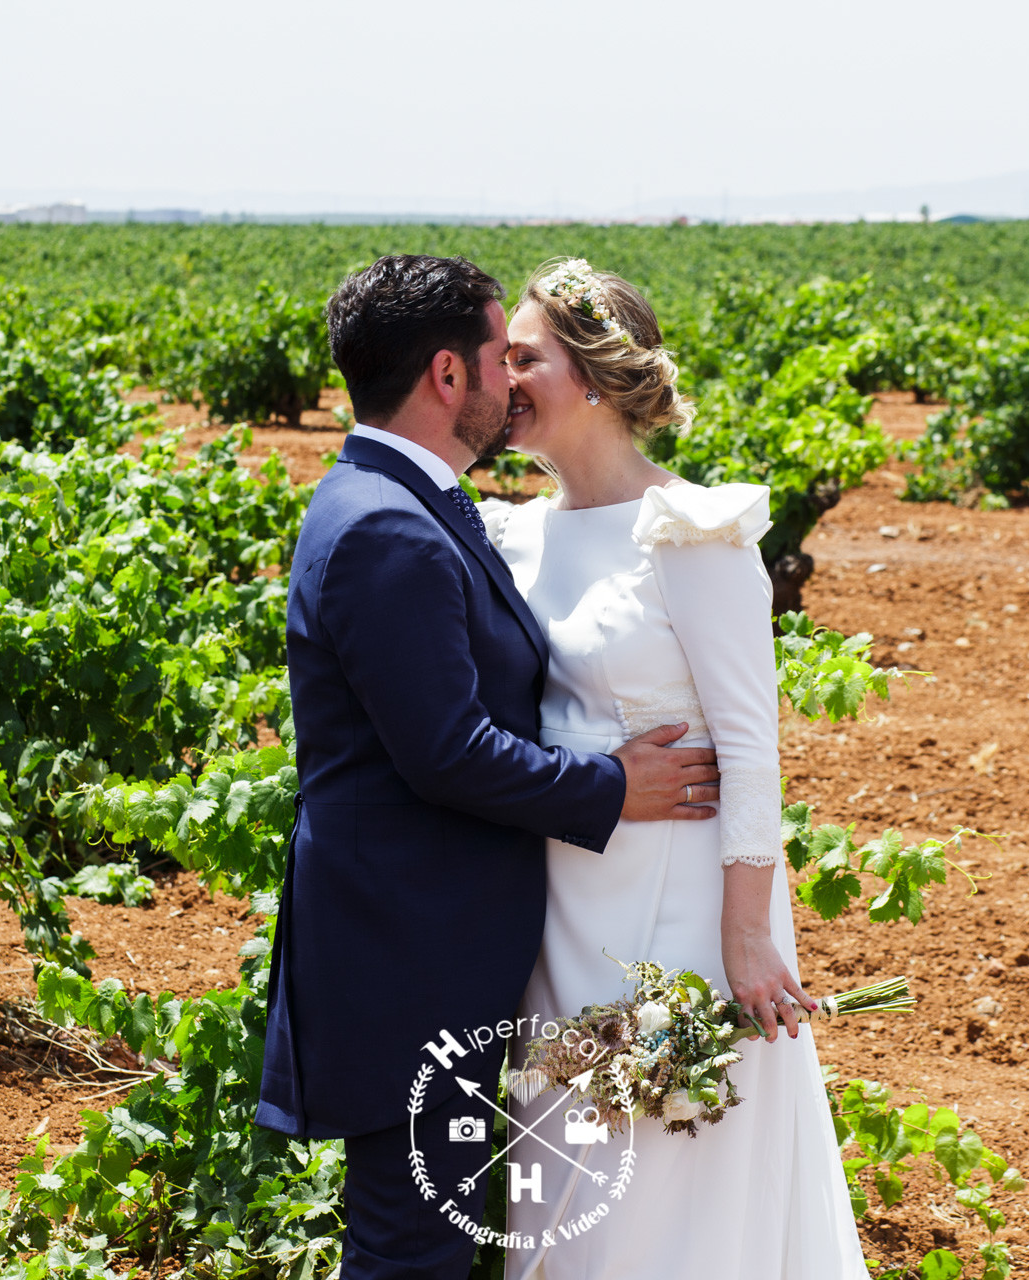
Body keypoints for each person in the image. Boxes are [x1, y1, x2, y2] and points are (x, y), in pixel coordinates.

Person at [256, 254, 721, 1280]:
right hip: (407, 958)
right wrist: (614, 784)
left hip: (415, 945)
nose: (513, 380)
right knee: (409, 1252)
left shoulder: (401, 498)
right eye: (497, 356)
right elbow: (448, 752)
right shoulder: (388, 526)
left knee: (421, 1239)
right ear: (447, 376)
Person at [486, 259, 871, 1279]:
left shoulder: (692, 534)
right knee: (565, 1182)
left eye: (526, 357)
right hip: (559, 908)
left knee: (668, 1184)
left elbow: (750, 745)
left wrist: (745, 934)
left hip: (683, 916)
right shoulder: (509, 534)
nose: (503, 377)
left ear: (598, 378)